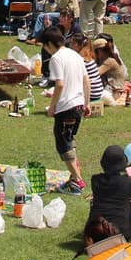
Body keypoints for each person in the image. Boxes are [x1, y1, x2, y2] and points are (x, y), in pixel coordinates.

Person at [43, 25, 90, 195]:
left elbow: (60, 84)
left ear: (50, 44)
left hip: (66, 107)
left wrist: (52, 107)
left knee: (64, 145)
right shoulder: (75, 55)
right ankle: (73, 178)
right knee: (71, 141)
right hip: (78, 105)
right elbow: (87, 81)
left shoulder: (56, 58)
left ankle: (77, 181)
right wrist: (87, 102)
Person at [85, 144, 131, 244]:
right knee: (130, 211)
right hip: (120, 232)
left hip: (95, 231)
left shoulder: (95, 179)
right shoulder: (126, 182)